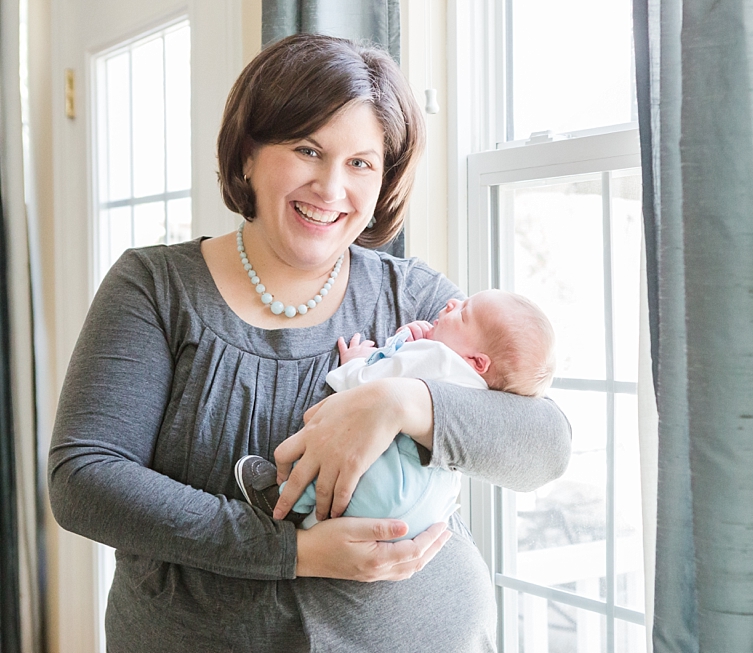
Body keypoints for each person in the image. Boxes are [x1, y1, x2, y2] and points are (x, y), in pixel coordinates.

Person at [47, 33, 571, 652]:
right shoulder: (156, 289)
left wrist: (401, 403)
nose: (330, 187)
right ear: (247, 154)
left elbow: (546, 445)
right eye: (306, 149)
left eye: (360, 163)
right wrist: (289, 550)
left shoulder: (417, 300)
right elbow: (85, 481)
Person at [236, 289, 556, 539]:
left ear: (477, 362)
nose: (451, 303)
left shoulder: (438, 356)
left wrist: (356, 362)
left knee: (336, 457)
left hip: (383, 486)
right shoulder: (485, 390)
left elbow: (363, 389)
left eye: (463, 313)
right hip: (425, 513)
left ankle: (283, 502)